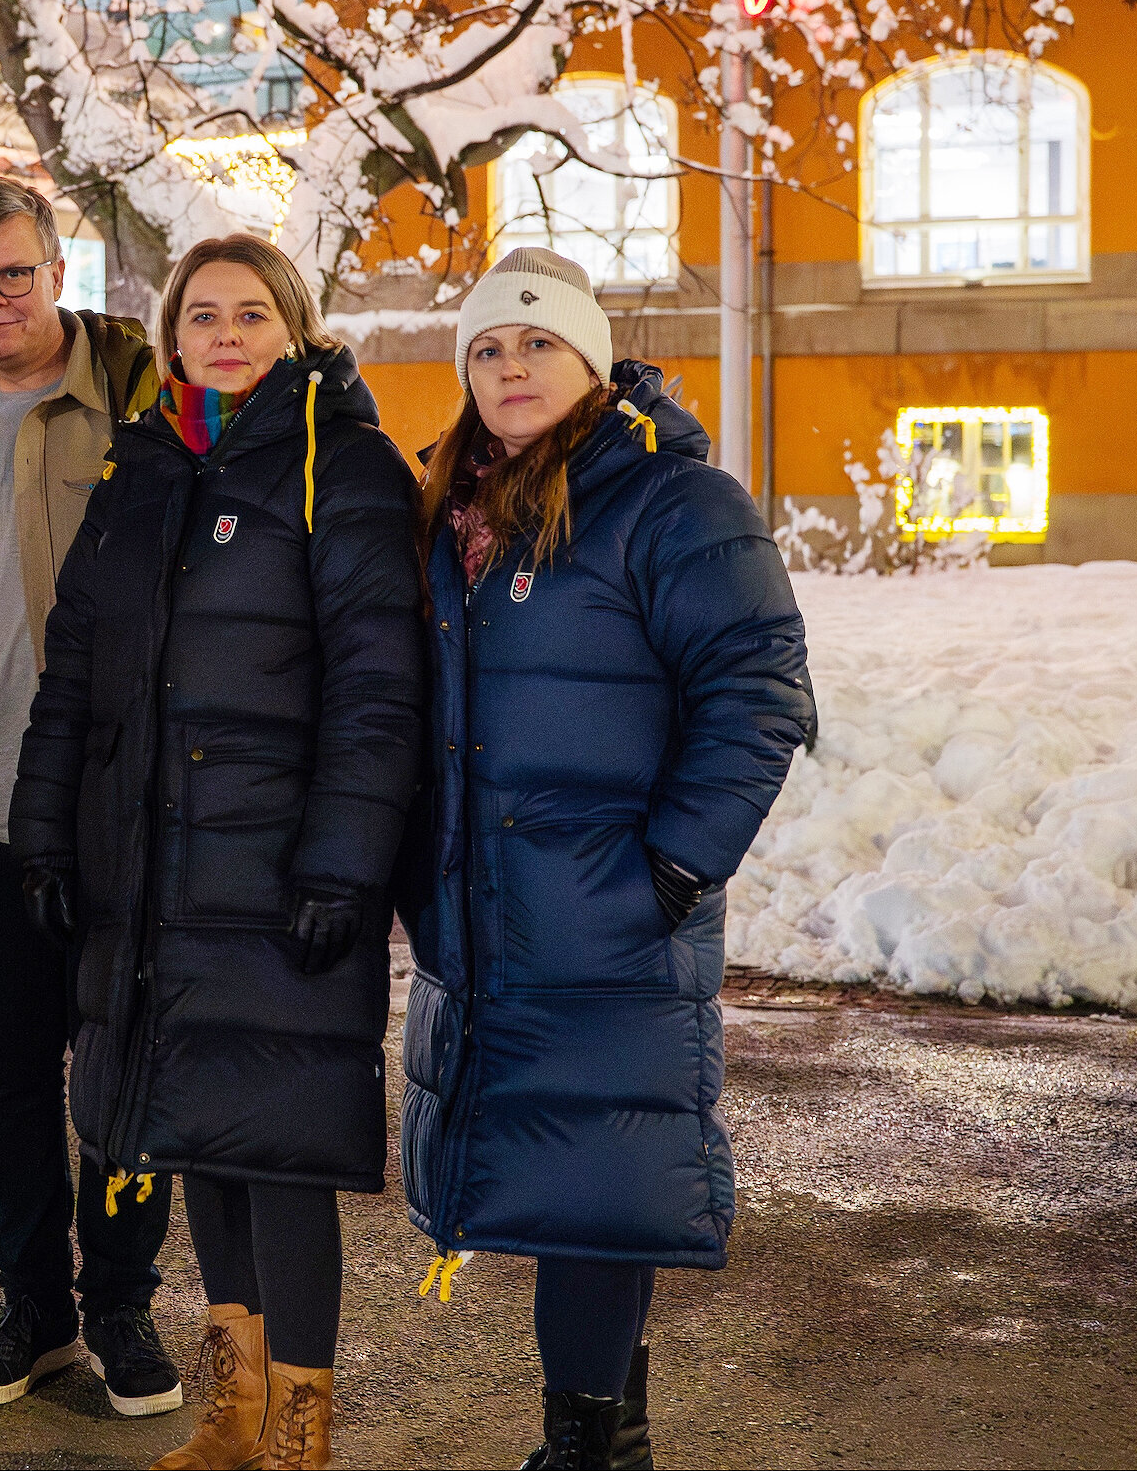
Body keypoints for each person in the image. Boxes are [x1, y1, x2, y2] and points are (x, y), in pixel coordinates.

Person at [10, 233, 427, 1471]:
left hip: (278, 873)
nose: (226, 333)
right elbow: (71, 674)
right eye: (202, 314)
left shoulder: (342, 466)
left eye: (252, 312)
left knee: (282, 1145)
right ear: (172, 334)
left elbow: (377, 689)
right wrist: (45, 837)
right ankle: (233, 1408)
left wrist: (342, 866)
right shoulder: (140, 467)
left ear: (292, 328)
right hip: (150, 874)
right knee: (194, 1132)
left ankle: (301, 1424)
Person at [398, 247, 811, 1471]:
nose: (509, 365)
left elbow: (756, 692)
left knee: (599, 1184)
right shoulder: (451, 505)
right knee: (570, 1183)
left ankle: (590, 1449)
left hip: (610, 911)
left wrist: (672, 870)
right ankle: (595, 1443)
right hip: (487, 912)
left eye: (535, 342)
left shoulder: (673, 500)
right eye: (485, 347)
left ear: (588, 357)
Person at [0, 176, 180, 1418]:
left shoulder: (145, 410)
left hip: (111, 820)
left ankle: (120, 1305)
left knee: (118, 1076)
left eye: (8, 273)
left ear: (58, 270)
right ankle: (35, 1310)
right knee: (3, 1079)